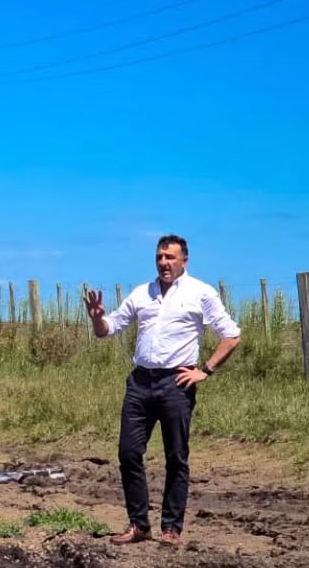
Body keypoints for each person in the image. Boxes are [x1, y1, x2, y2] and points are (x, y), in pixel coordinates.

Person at [83, 234, 240, 547]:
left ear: (184, 260)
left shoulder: (201, 293)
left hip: (176, 383)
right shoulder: (143, 292)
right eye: (160, 257)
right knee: (128, 453)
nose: (164, 263)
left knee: (176, 457)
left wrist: (204, 370)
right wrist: (98, 318)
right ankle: (139, 525)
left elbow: (231, 335)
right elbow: (109, 329)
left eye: (170, 257)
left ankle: (171, 528)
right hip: (141, 382)